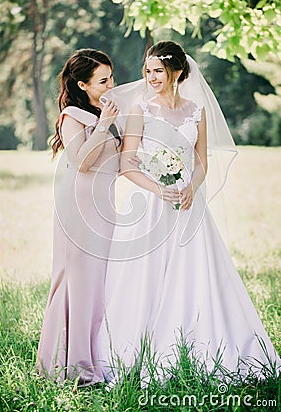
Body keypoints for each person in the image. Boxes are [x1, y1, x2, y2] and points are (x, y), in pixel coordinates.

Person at [98, 41, 280, 386]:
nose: (151, 77)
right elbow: (127, 164)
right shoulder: (141, 108)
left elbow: (201, 161)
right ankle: (134, 349)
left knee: (196, 276)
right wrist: (158, 188)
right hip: (152, 204)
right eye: (147, 71)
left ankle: (197, 341)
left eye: (158, 71)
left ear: (178, 72)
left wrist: (190, 188)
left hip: (186, 206)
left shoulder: (196, 110)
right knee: (144, 279)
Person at [37, 48, 121, 386]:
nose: (110, 85)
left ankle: (100, 353)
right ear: (83, 84)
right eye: (103, 81)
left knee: (100, 279)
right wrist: (104, 126)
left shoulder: (108, 112)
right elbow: (83, 162)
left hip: (105, 204)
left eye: (111, 77)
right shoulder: (73, 115)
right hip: (79, 204)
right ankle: (71, 362)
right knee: (78, 278)